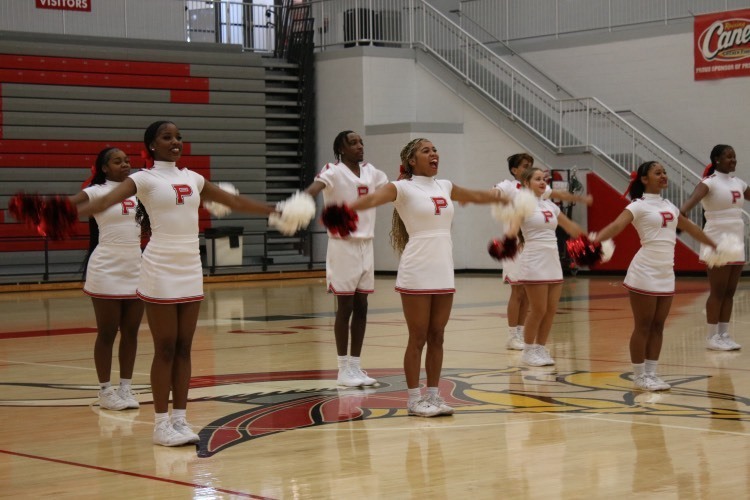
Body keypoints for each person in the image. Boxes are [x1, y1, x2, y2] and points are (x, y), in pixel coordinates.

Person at [75, 121, 282, 446]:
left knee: (185, 347)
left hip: (190, 265)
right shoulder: (142, 179)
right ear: (152, 146)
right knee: (166, 347)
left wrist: (274, 210)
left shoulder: (193, 178)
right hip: (159, 264)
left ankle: (180, 420)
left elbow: (234, 201)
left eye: (179, 137)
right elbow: (100, 203)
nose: (175, 142)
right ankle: (160, 425)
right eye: (167, 137)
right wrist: (55, 212)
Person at [347, 138, 511, 417]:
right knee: (418, 337)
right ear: (411, 161)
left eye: (435, 149)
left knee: (438, 336)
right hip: (417, 270)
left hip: (443, 269)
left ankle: (433, 396)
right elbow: (370, 200)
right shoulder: (401, 188)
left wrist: (500, 194)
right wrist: (345, 210)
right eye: (426, 151)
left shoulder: (444, 185)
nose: (434, 153)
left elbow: (474, 196)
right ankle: (413, 399)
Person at [592, 161, 717, 391]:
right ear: (644, 179)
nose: (663, 176)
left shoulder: (669, 205)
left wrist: (714, 245)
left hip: (665, 272)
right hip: (644, 271)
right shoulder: (637, 206)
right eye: (657, 173)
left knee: (659, 326)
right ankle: (639, 376)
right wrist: (592, 242)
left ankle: (652, 373)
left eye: (664, 172)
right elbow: (616, 226)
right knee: (643, 326)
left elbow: (691, 229)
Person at [305, 131, 388, 387]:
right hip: (343, 246)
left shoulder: (373, 172)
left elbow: (392, 190)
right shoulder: (333, 170)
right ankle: (342, 369)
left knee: (362, 305)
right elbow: (315, 188)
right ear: (340, 148)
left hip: (366, 244)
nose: (360, 146)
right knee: (345, 307)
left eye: (361, 141)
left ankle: (355, 366)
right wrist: (302, 200)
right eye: (353, 143)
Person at [69, 147, 145, 411]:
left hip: (136, 266)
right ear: (103, 168)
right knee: (108, 332)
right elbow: (67, 206)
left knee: (132, 332)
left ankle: (125, 388)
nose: (124, 164)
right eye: (117, 161)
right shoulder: (96, 191)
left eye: (127, 161)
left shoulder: (138, 190)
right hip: (106, 267)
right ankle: (105, 391)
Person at [494, 153, 592, 351]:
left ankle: (522, 333)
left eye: (531, 165)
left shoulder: (542, 197)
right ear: (514, 170)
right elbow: (492, 195)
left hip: (541, 248)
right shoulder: (507, 186)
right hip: (518, 244)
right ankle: (513, 335)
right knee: (517, 291)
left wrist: (578, 198)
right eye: (524, 166)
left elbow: (557, 197)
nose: (528, 168)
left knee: (531, 296)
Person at [511, 167, 585, 367]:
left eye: (544, 179)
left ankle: (540, 348)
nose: (543, 182)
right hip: (534, 260)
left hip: (552, 260)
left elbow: (571, 227)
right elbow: (512, 230)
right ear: (526, 184)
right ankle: (528, 351)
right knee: (538, 309)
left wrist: (592, 241)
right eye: (537, 179)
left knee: (551, 309)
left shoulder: (551, 206)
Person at [680, 145, 747, 351]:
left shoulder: (740, 183)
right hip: (716, 239)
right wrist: (683, 216)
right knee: (717, 291)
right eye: (728, 156)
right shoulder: (709, 183)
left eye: (734, 156)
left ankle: (723, 334)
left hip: (736, 240)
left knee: (729, 292)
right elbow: (688, 204)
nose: (733, 160)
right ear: (717, 160)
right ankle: (711, 337)